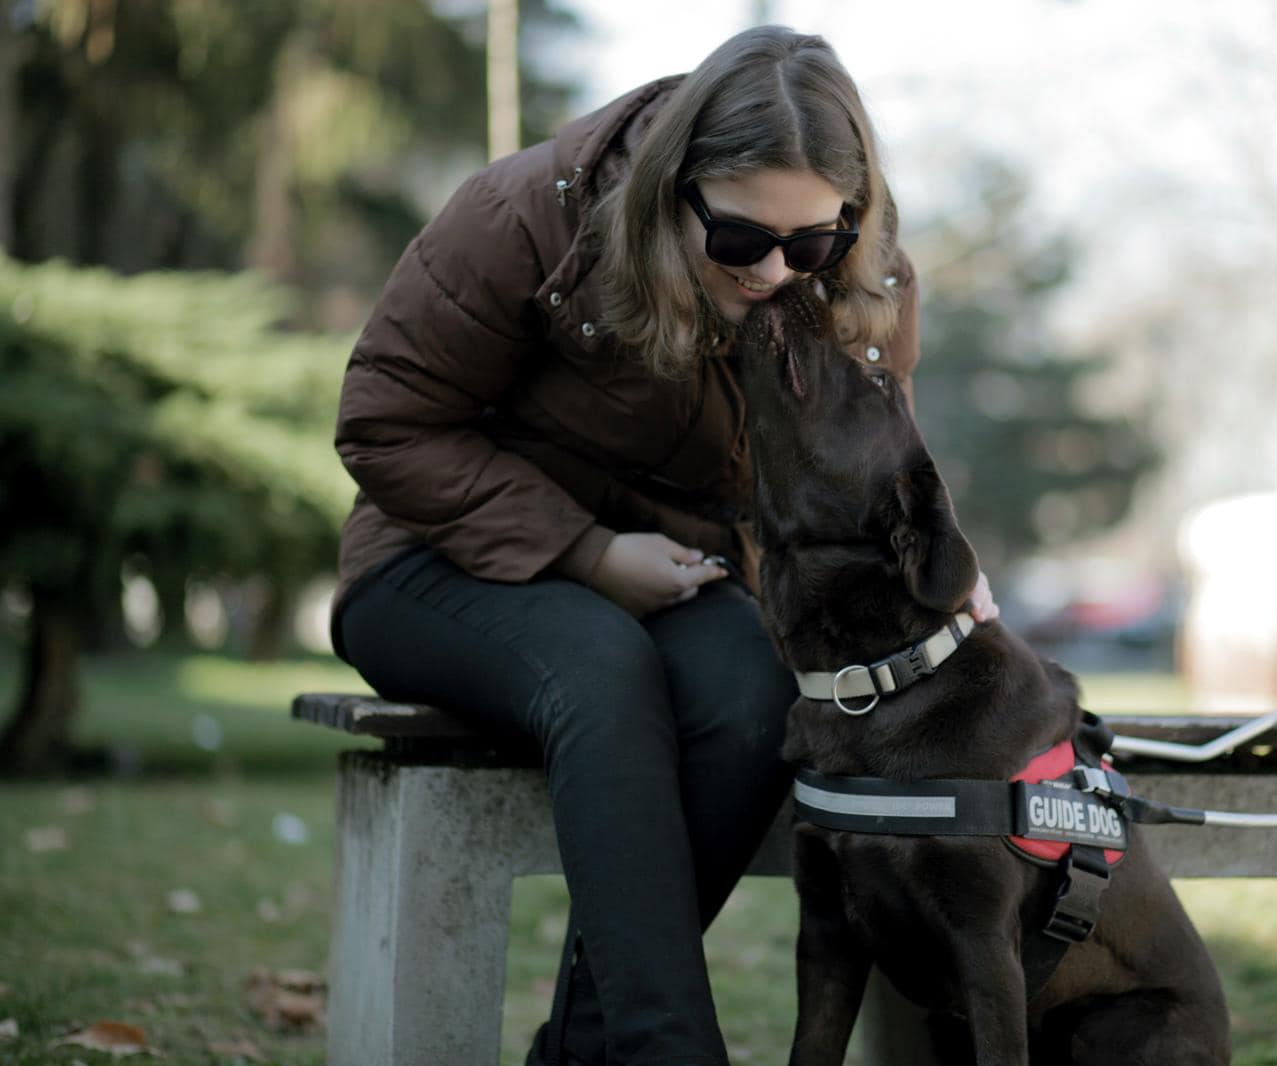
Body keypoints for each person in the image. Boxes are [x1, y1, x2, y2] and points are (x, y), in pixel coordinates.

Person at [330, 24, 995, 1066]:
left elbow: (870, 462)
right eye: (739, 242)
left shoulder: (861, 282)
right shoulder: (523, 214)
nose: (777, 272)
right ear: (670, 186)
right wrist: (586, 552)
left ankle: (587, 1050)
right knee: (599, 668)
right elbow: (383, 422)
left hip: (677, 577)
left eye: (810, 243)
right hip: (433, 563)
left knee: (753, 694)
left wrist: (945, 577)